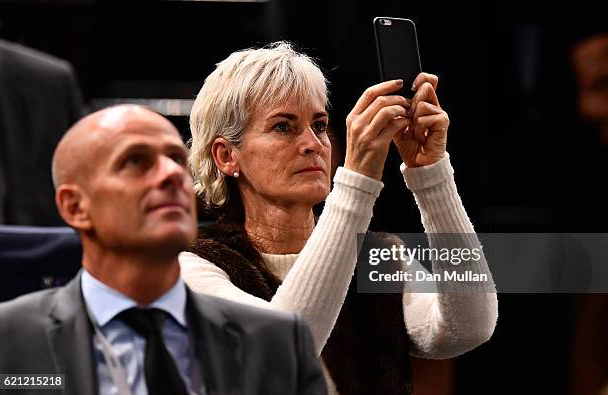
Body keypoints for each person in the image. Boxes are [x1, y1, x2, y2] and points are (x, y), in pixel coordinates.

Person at [180, 41, 498, 394]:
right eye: (283, 127)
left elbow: (470, 327)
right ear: (226, 156)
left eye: (319, 125)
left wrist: (431, 174)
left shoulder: (378, 257)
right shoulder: (193, 268)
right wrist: (357, 181)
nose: (313, 143)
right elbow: (281, 353)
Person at [0, 105, 327, 395]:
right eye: (136, 161)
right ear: (75, 206)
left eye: (175, 160)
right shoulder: (9, 339)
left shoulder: (276, 339)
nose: (171, 174)